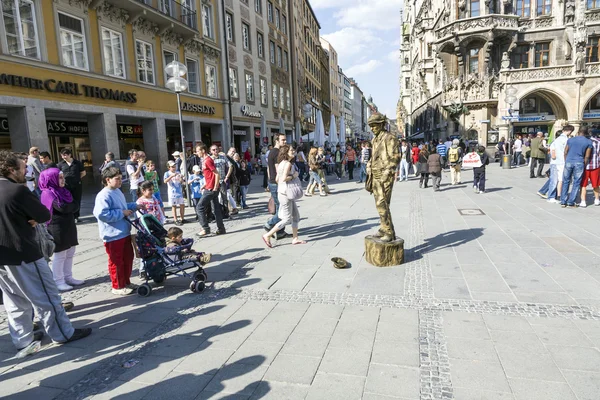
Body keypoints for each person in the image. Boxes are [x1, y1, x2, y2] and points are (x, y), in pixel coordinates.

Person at [0, 151, 91, 355]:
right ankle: (63, 333)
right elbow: (42, 214)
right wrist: (28, 217)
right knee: (47, 296)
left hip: (2, 258)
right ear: (11, 170)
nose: (27, 171)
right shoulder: (17, 190)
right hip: (23, 253)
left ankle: (23, 340)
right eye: (23, 168)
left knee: (14, 301)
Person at [93, 166, 144, 295]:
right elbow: (102, 214)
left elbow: (123, 206)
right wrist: (121, 213)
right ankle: (117, 286)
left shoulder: (117, 191)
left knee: (127, 259)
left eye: (121, 178)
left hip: (124, 232)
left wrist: (135, 206)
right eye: (117, 179)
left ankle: (126, 282)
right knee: (116, 261)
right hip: (112, 235)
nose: (120, 181)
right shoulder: (103, 195)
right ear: (108, 180)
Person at [38, 168, 83, 291]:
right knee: (60, 255)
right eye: (60, 177)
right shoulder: (48, 192)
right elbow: (63, 208)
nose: (63, 180)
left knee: (70, 252)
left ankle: (68, 277)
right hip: (57, 227)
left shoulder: (63, 191)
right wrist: (72, 207)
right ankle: (58, 281)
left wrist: (71, 207)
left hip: (68, 225)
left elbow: (75, 205)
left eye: (62, 177)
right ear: (51, 179)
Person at [262, 145, 306, 247]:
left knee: (296, 216)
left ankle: (295, 238)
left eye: (293, 150)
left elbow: (277, 179)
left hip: (283, 192)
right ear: (286, 152)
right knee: (286, 219)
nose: (293, 151)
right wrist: (293, 176)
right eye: (291, 150)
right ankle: (267, 235)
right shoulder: (287, 164)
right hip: (286, 194)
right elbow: (283, 178)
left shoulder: (282, 163)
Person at [366, 113, 400, 242]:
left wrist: (388, 171)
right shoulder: (375, 139)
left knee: (382, 203)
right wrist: (369, 165)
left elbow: (396, 156)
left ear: (381, 124)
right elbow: (374, 155)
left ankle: (389, 232)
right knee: (380, 204)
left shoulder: (390, 138)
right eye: (371, 126)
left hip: (384, 174)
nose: (372, 128)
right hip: (374, 174)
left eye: (374, 125)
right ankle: (383, 228)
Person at [196, 144, 226, 237]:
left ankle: (205, 228)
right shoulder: (205, 160)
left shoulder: (208, 160)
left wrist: (215, 187)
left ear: (203, 151)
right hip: (209, 186)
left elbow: (216, 174)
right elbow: (210, 176)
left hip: (211, 189)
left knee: (199, 207)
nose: (197, 153)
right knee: (216, 209)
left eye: (198, 151)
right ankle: (221, 229)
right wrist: (205, 184)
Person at [561, 126, 593, 208]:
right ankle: (571, 202)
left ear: (578, 132)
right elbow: (587, 156)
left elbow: (565, 151)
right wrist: (584, 164)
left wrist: (566, 160)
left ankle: (563, 201)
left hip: (569, 161)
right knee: (576, 182)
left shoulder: (570, 140)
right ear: (586, 133)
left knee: (566, 181)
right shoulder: (588, 142)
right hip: (579, 162)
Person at [264, 134, 289, 239]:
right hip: (276, 183)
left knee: (280, 207)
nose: (285, 142)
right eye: (283, 140)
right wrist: (279, 182)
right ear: (277, 141)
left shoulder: (270, 152)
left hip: (272, 182)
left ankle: (280, 231)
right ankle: (269, 224)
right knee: (281, 208)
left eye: (285, 139)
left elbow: (268, 169)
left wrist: (270, 180)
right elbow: (278, 169)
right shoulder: (277, 153)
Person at [57, 148, 85, 223]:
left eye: (65, 155)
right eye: (62, 156)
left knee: (77, 200)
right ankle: (70, 215)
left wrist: (77, 178)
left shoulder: (77, 163)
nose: (64, 157)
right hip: (66, 186)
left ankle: (76, 216)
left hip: (77, 185)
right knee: (67, 200)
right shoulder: (60, 164)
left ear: (70, 155)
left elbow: (83, 172)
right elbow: (58, 174)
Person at [546, 128, 569, 203]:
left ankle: (553, 196)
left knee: (556, 180)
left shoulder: (554, 142)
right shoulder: (556, 142)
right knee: (555, 180)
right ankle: (551, 196)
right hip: (557, 162)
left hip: (556, 162)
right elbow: (553, 154)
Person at [579, 127, 600, 207]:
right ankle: (597, 199)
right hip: (595, 165)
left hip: (584, 166)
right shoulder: (598, 142)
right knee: (596, 184)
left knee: (583, 184)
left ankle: (583, 201)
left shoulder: (583, 142)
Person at [213, 146, 233, 219]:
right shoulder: (210, 159)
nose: (215, 151)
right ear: (211, 151)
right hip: (214, 181)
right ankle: (216, 214)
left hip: (222, 181)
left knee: (224, 198)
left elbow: (230, 166)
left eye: (216, 149)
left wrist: (227, 177)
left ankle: (226, 213)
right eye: (213, 150)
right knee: (214, 198)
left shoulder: (223, 157)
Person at [164, 160, 185, 225]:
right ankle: (175, 219)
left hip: (179, 191)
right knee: (174, 206)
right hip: (172, 192)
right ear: (169, 167)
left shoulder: (178, 172)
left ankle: (182, 218)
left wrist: (181, 178)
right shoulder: (167, 173)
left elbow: (181, 181)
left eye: (174, 166)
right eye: (172, 167)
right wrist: (171, 176)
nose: (174, 168)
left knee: (182, 204)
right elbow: (165, 181)